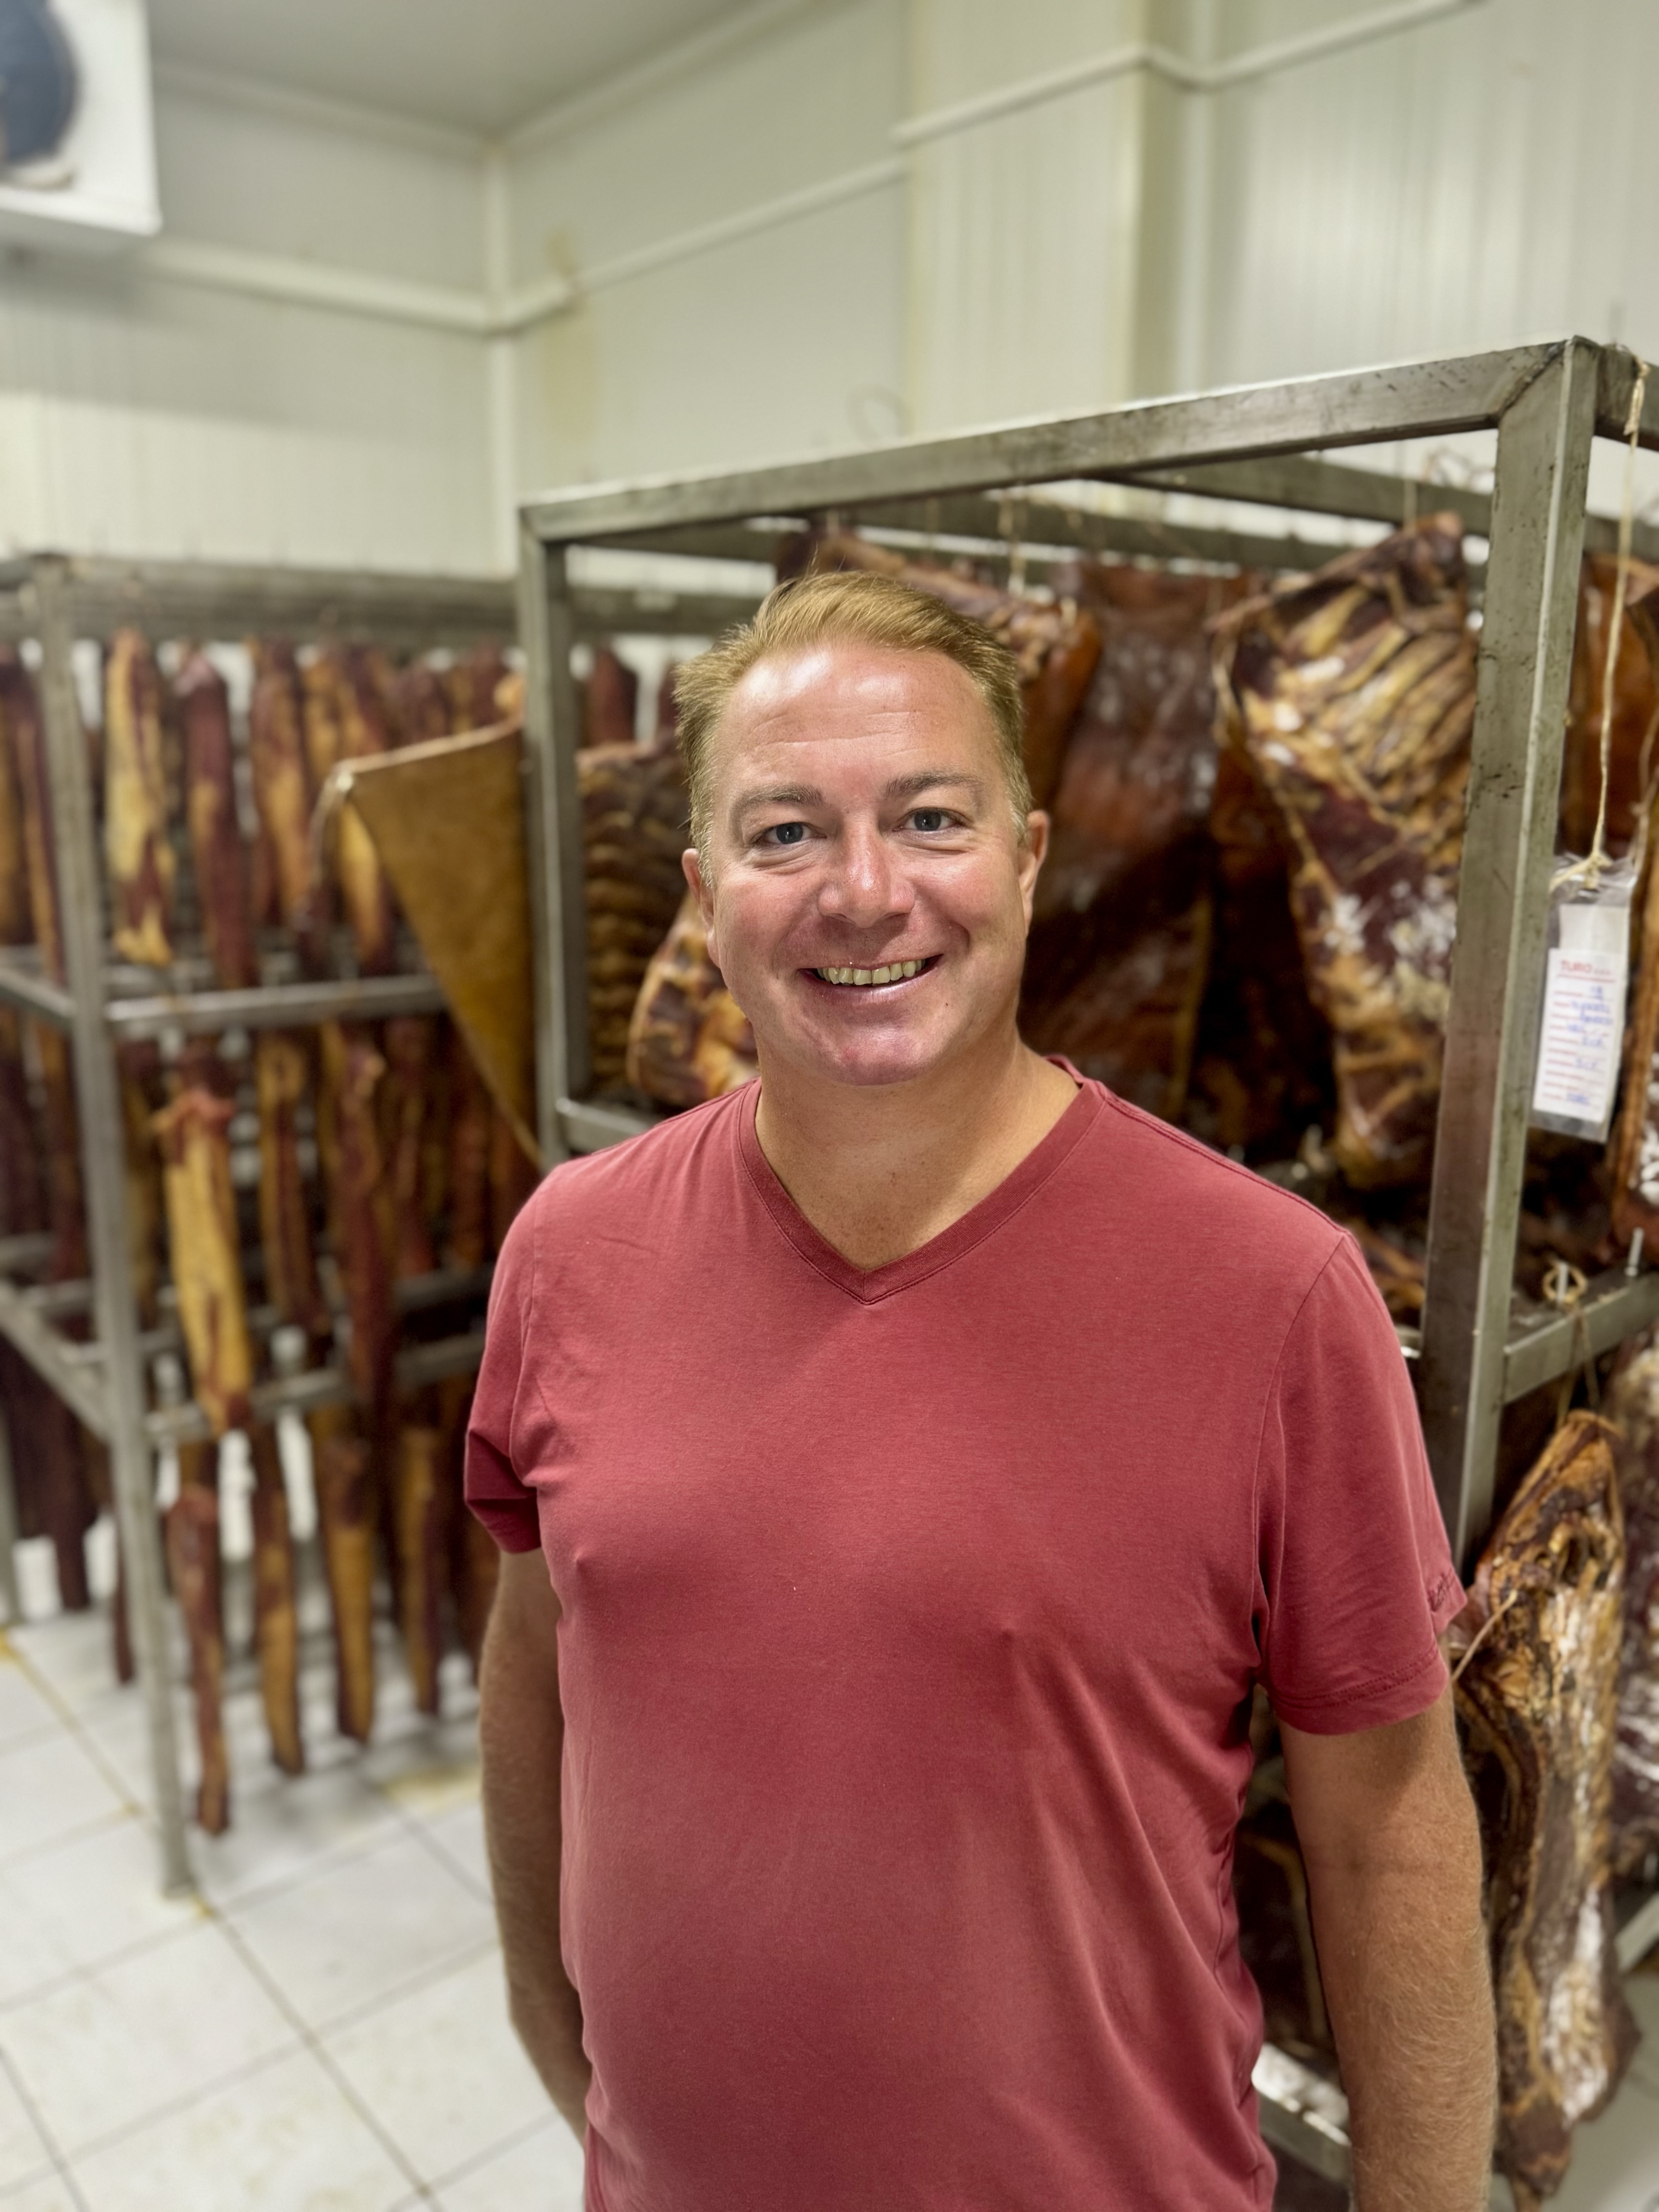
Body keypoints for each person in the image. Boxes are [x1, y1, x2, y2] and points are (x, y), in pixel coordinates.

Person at [467, 570, 1495, 2212]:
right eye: (786, 833)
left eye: (929, 819)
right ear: (705, 895)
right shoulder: (569, 1251)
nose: (864, 892)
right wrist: (555, 2032)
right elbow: (538, 1666)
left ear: (1026, 857)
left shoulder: (1274, 1298)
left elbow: (1390, 1833)